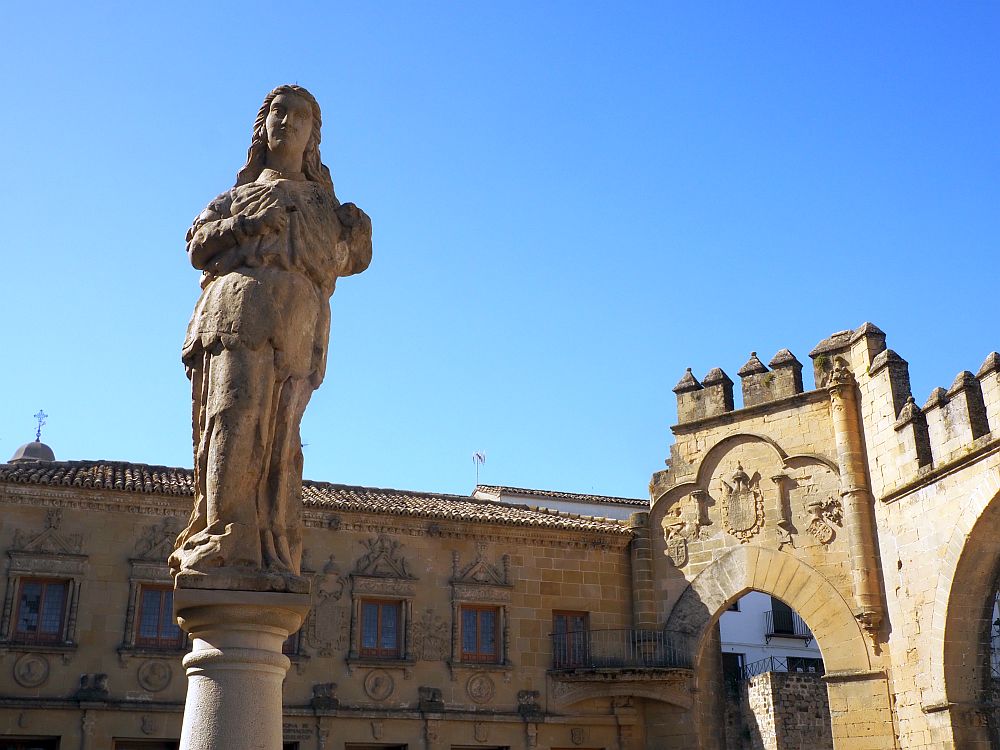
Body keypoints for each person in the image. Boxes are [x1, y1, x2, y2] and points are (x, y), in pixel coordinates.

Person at [169, 85, 372, 586]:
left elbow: (344, 261)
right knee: (231, 420)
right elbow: (197, 245)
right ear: (263, 126)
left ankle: (269, 540)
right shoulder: (234, 197)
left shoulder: (325, 206)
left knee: (281, 438)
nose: (287, 122)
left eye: (300, 117)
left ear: (313, 138)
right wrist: (248, 224)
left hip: (297, 321)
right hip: (236, 313)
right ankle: (223, 534)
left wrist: (358, 234)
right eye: (278, 113)